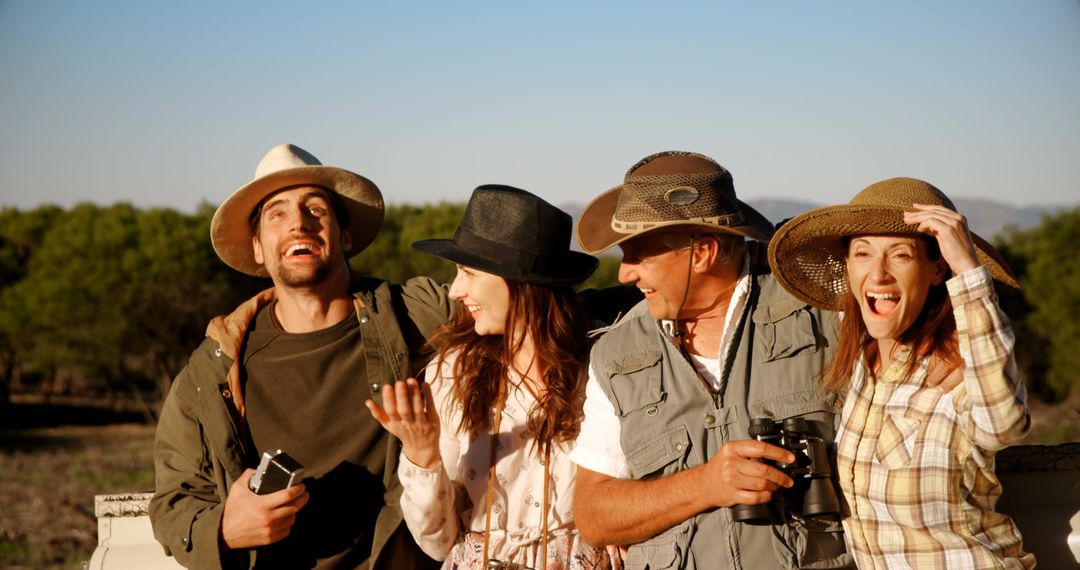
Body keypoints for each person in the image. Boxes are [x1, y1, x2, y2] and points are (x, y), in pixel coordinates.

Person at [149, 144, 453, 569]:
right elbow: (173, 501)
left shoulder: (416, 316)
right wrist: (223, 529)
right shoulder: (215, 369)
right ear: (258, 248)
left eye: (315, 209)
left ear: (344, 236)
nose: (298, 223)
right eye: (277, 214)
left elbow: (517, 311)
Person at [570, 151, 854, 569]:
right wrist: (705, 485)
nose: (624, 274)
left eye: (638, 255)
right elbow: (593, 515)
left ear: (702, 252)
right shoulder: (615, 353)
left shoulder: (828, 317)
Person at [767, 177, 1035, 569]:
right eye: (862, 253)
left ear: (937, 269)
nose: (878, 274)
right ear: (847, 265)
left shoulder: (959, 369)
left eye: (901, 255)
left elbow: (1004, 425)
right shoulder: (861, 366)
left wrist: (968, 269)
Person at [366, 185, 613, 570]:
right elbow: (437, 542)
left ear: (520, 282)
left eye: (467, 272)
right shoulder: (453, 371)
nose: (456, 291)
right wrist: (422, 452)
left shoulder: (605, 362)